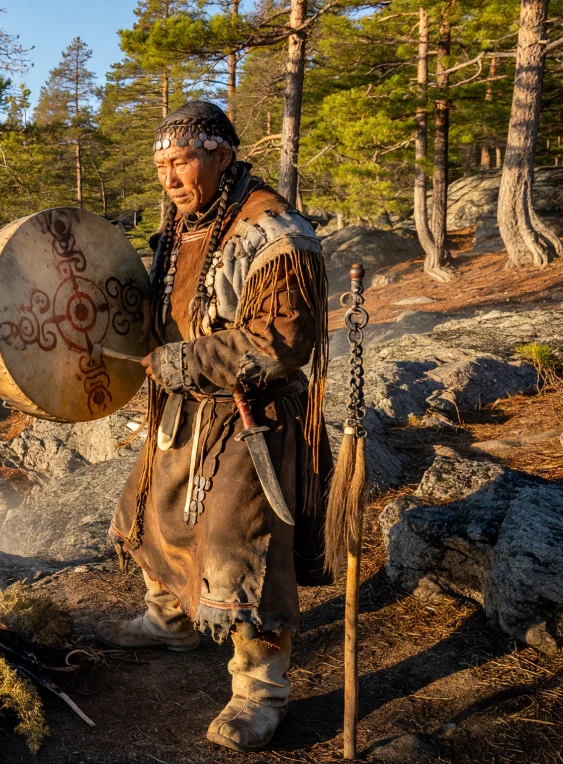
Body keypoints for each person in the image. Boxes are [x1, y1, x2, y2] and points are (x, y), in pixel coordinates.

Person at [101, 101, 332, 752]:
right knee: (147, 514)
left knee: (241, 548)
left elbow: (284, 340)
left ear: (222, 155)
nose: (169, 177)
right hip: (184, 408)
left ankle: (262, 692)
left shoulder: (274, 229)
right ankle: (170, 618)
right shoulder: (182, 224)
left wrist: (184, 359)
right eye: (160, 165)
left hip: (250, 416)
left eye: (181, 161)